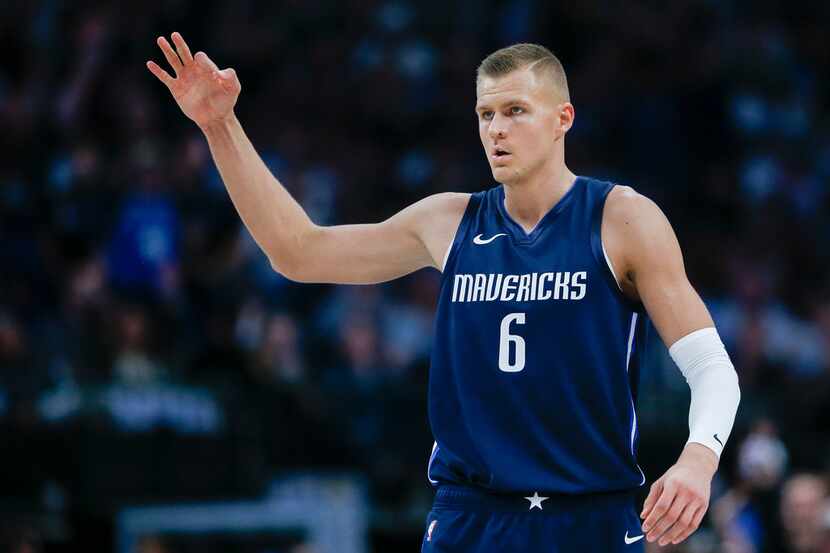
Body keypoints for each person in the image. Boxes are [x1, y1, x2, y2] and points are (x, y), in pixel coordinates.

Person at [147, 35, 741, 551]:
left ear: (563, 118)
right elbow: (297, 251)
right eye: (485, 114)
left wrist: (698, 458)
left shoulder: (622, 219)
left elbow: (712, 367)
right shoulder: (448, 221)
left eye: (515, 110)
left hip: (590, 514)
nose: (496, 129)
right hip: (470, 515)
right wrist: (219, 126)